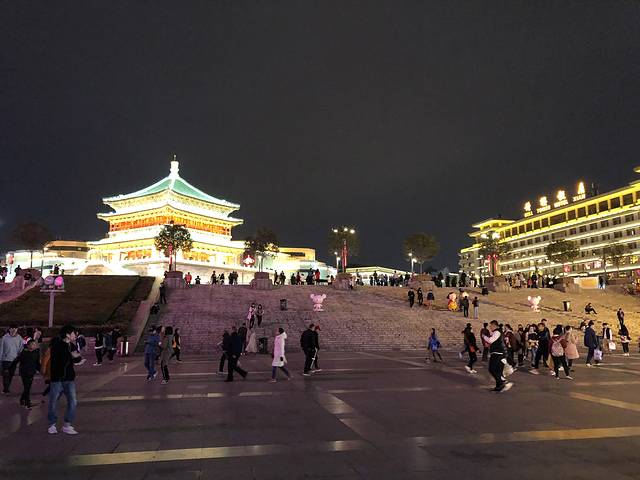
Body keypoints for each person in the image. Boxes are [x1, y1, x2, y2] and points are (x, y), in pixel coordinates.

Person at [48, 325, 83, 435]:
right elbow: (60, 361)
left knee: (73, 402)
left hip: (69, 378)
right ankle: (52, 425)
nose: (75, 335)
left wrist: (76, 357)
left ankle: (67, 425)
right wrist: (72, 356)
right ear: (68, 334)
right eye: (74, 333)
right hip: (57, 379)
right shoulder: (57, 345)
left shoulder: (72, 345)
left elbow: (77, 358)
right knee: (53, 402)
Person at [482, 320, 513, 392]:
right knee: (498, 371)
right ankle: (499, 386)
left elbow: (490, 340)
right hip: (500, 353)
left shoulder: (497, 332)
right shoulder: (498, 332)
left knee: (492, 369)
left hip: (498, 354)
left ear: (494, 325)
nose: (490, 327)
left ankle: (502, 382)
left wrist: (484, 336)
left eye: (491, 326)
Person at [0, 325, 24, 394]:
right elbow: (1, 348)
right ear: (9, 329)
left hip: (15, 359)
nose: (14, 330)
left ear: (17, 329)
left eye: (15, 328)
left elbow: (21, 347)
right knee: (6, 375)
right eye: (12, 328)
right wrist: (0, 359)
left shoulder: (19, 338)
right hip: (6, 359)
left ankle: (7, 387)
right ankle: (6, 389)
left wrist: (19, 356)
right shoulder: (4, 338)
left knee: (11, 375)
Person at [17, 339, 40, 409]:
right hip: (24, 372)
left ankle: (22, 399)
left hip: (31, 372)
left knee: (27, 387)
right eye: (33, 344)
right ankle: (27, 403)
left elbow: (37, 363)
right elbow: (17, 361)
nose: (34, 345)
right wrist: (8, 369)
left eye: (35, 344)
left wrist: (41, 370)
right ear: (28, 345)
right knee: (27, 387)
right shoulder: (23, 353)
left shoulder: (36, 353)